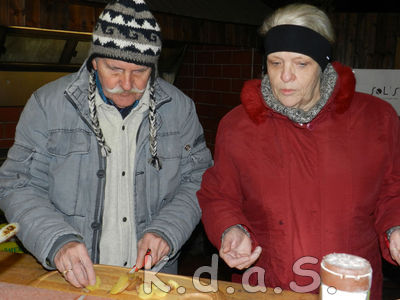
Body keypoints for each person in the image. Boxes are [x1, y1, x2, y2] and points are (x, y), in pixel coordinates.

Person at [0, 0, 212, 289]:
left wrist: (167, 230)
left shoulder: (180, 109)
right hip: (71, 278)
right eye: (114, 68)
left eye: (140, 71)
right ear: (95, 60)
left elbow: (199, 180)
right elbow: (16, 184)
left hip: (153, 279)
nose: (126, 84)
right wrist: (57, 241)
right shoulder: (48, 105)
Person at [197, 3, 400, 299]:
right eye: (275, 63)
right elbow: (220, 194)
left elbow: (393, 190)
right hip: (265, 284)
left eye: (301, 64)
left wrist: (395, 228)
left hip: (347, 286)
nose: (285, 77)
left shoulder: (376, 119)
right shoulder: (239, 125)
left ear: (323, 64)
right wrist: (230, 229)